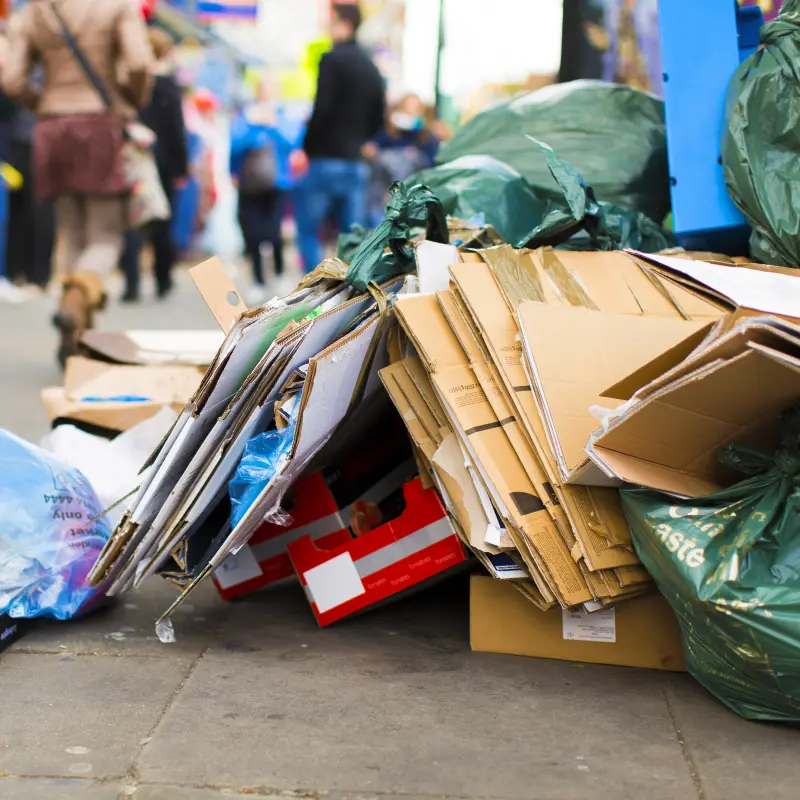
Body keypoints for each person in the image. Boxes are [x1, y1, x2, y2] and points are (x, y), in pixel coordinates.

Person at [2, 0, 152, 364]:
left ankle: (79, 330)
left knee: (72, 229)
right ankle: (77, 300)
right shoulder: (117, 6)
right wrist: (131, 99)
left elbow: (11, 78)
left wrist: (45, 103)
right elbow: (139, 63)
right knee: (105, 233)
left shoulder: (33, 11)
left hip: (51, 128)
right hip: (99, 124)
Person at [297, 2, 385, 272]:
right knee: (351, 237)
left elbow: (321, 109)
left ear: (344, 24)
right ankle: (348, 295)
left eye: (332, 22)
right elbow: (378, 116)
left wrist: (307, 147)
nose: (328, 28)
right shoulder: (372, 67)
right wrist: (361, 140)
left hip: (325, 159)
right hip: (355, 162)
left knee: (309, 230)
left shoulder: (331, 60)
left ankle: (313, 292)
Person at [120, 28, 189, 303]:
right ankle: (163, 279)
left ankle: (131, 283)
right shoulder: (168, 85)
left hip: (134, 159)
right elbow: (175, 129)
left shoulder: (130, 83)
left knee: (131, 219)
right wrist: (181, 167)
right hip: (162, 161)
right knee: (161, 220)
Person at [230, 81, 294, 304]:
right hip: (249, 184)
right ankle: (257, 280)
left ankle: (278, 273)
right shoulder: (246, 117)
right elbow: (235, 146)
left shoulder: (283, 115)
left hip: (277, 184)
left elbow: (292, 143)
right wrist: (253, 126)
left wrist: (273, 125)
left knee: (274, 233)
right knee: (253, 234)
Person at [363, 93, 440, 225]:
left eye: (416, 108)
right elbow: (371, 151)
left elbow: (431, 168)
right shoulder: (389, 135)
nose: (411, 112)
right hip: (385, 197)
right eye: (407, 107)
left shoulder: (427, 138)